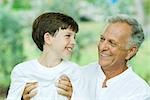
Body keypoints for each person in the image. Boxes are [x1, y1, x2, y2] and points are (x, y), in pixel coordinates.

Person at [22, 14, 150, 100]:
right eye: (102, 39)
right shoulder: (80, 73)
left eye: (112, 43)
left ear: (130, 51)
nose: (102, 47)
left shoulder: (139, 91)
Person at [7, 12, 85, 100]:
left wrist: (72, 97)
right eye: (68, 36)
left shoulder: (74, 71)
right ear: (48, 38)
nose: (73, 42)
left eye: (74, 37)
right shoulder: (22, 71)